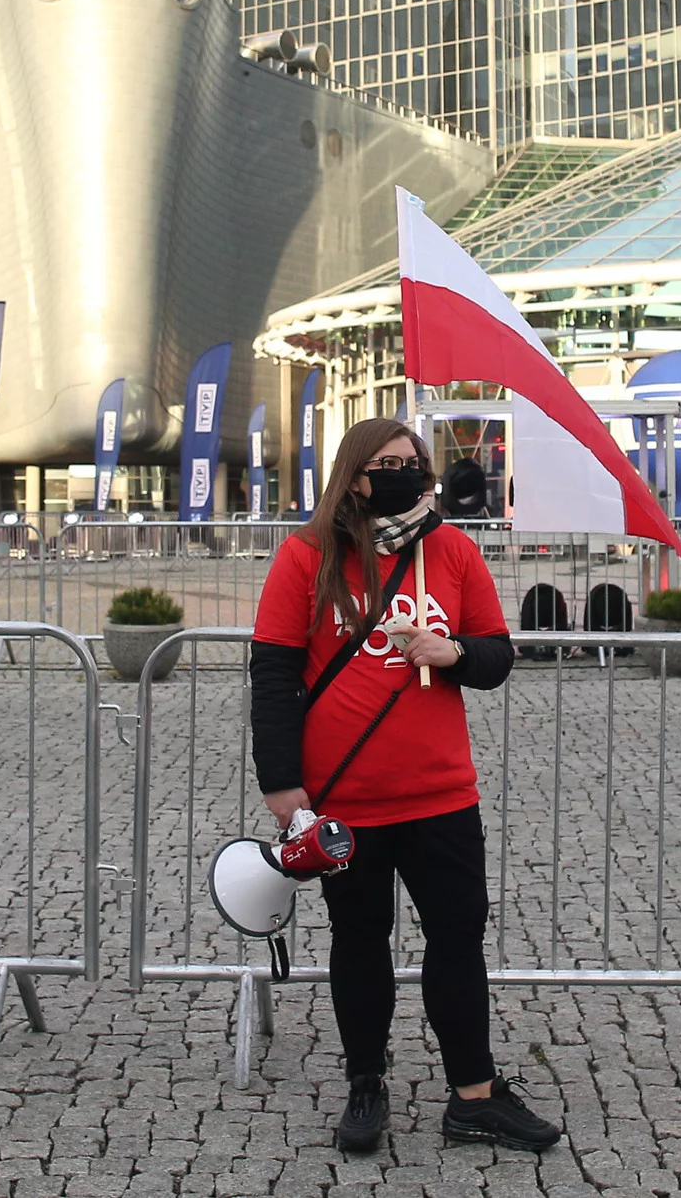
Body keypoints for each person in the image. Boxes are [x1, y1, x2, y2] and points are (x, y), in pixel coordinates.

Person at [248, 418, 559, 1157]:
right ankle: (365, 1082)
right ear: (353, 475)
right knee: (359, 941)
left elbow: (497, 654)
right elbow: (273, 672)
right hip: (346, 798)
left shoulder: (450, 549)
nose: (400, 473)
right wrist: (281, 783)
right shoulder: (306, 556)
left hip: (442, 794)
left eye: (412, 462)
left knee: (458, 940)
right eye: (384, 463)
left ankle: (474, 1095)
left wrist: (452, 651)